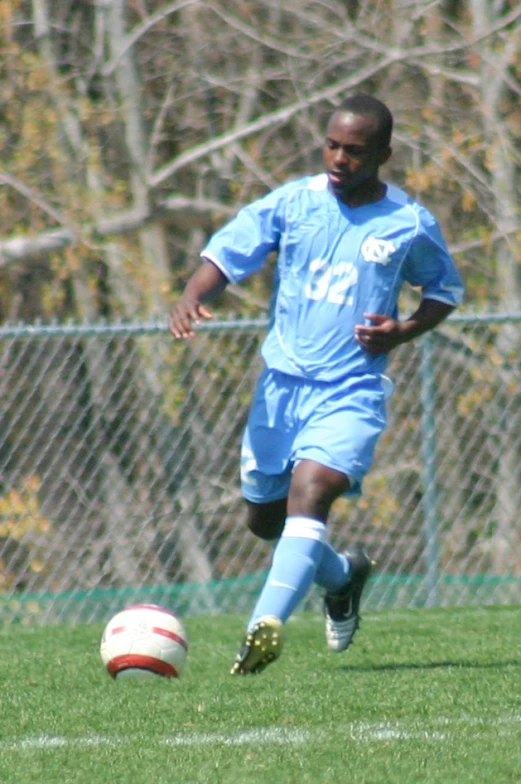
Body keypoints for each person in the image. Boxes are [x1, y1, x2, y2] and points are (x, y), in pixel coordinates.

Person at [169, 94, 464, 675]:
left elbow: (444, 290)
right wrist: (192, 294)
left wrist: (401, 330)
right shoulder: (295, 202)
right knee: (266, 521)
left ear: (383, 153)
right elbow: (231, 252)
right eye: (331, 144)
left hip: (351, 388)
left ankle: (264, 624)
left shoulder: (408, 223)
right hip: (280, 389)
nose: (338, 158)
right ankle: (342, 576)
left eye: (354, 150)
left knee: (314, 489)